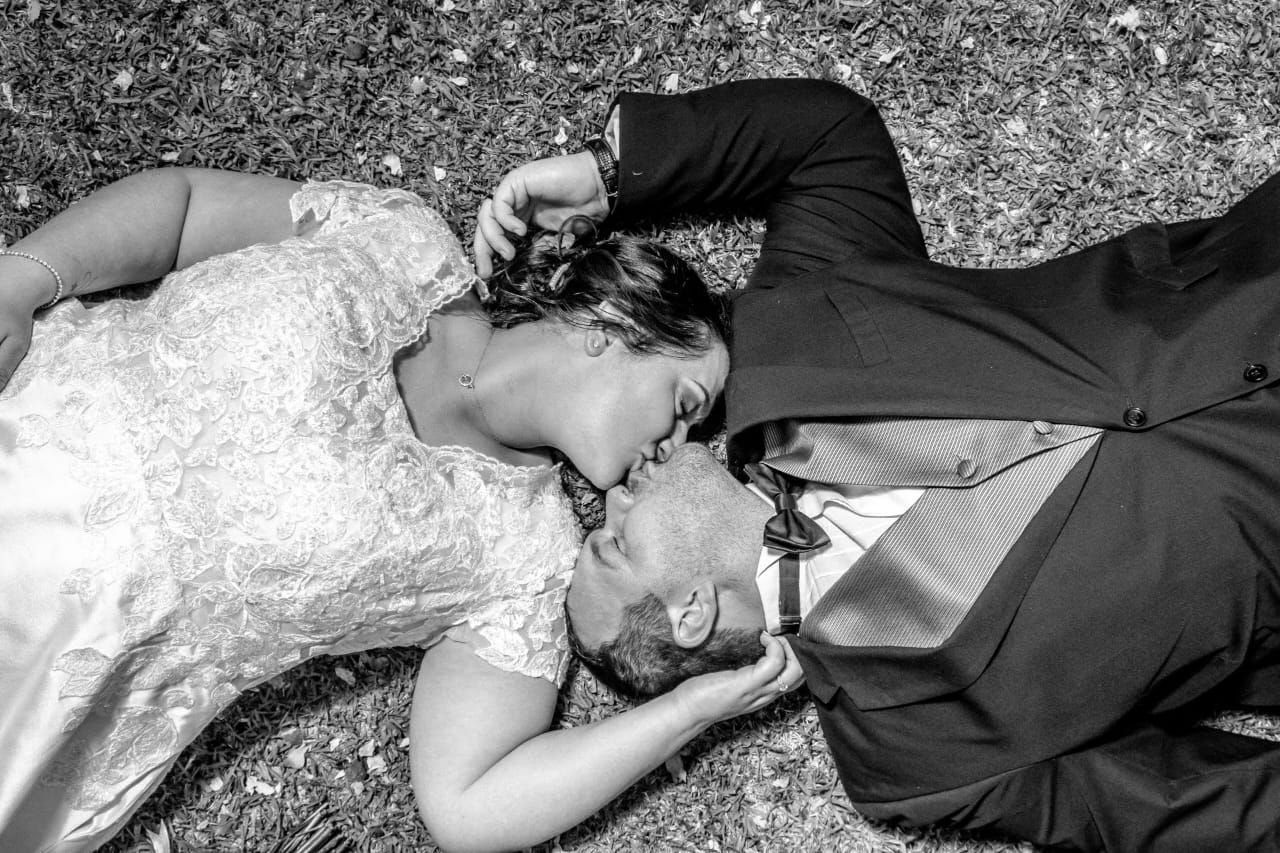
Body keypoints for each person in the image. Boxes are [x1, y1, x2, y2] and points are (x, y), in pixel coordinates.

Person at [474, 78, 1280, 851]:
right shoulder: (914, 757)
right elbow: (1204, 805)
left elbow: (828, 139)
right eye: (613, 542)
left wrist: (609, 176)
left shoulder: (785, 348)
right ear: (690, 613)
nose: (610, 497)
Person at [0, 168, 805, 852]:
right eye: (684, 402)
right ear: (620, 323)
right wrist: (20, 280)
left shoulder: (522, 557)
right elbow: (181, 207)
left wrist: (691, 709)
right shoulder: (401, 239)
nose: (675, 444)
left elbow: (468, 804)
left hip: (36, 664)